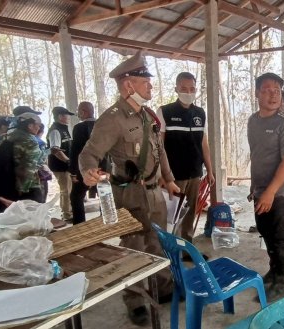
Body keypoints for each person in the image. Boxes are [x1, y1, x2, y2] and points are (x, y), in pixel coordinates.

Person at [79, 52, 180, 326]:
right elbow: (89, 153)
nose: (151, 86)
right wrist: (88, 172)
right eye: (145, 81)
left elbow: (160, 150)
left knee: (157, 242)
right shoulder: (112, 119)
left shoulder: (147, 115)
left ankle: (163, 287)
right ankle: (135, 301)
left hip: (153, 193)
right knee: (132, 248)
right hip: (129, 194)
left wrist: (168, 180)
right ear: (128, 85)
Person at [247, 72, 284, 301]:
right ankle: (274, 271)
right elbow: (257, 155)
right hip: (260, 190)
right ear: (258, 93)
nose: (273, 94)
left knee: (280, 237)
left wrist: (270, 192)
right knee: (265, 232)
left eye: (277, 90)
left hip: (281, 193)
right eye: (267, 90)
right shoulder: (253, 121)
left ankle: (282, 283)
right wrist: (255, 187)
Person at [157, 72, 215, 245]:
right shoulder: (165, 112)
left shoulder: (200, 113)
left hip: (195, 172)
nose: (188, 92)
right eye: (184, 88)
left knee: (190, 212)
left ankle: (186, 247)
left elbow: (204, 144)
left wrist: (210, 171)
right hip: (174, 175)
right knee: (172, 214)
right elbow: (159, 147)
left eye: (192, 89)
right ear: (176, 89)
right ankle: (170, 249)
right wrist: (163, 176)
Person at [0, 112, 47, 202]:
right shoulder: (30, 141)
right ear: (30, 125)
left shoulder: (4, 137)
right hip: (27, 187)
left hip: (6, 183)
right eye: (38, 125)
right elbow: (29, 168)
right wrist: (22, 190)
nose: (39, 128)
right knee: (33, 214)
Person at [69, 101, 99, 224]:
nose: (78, 115)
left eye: (79, 112)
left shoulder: (79, 128)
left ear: (83, 112)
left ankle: (80, 225)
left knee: (76, 197)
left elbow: (76, 151)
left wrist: (73, 172)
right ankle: (107, 223)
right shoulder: (102, 125)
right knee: (104, 195)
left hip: (85, 169)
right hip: (103, 168)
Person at [47, 106, 75, 221]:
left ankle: (69, 211)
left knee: (69, 189)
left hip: (66, 165)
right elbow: (56, 151)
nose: (69, 117)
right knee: (66, 190)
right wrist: (68, 161)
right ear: (60, 116)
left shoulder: (63, 128)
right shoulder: (55, 131)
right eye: (67, 115)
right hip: (60, 166)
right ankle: (67, 214)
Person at [35, 123, 52, 203]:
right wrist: (50, 151)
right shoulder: (40, 142)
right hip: (38, 173)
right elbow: (41, 159)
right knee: (41, 197)